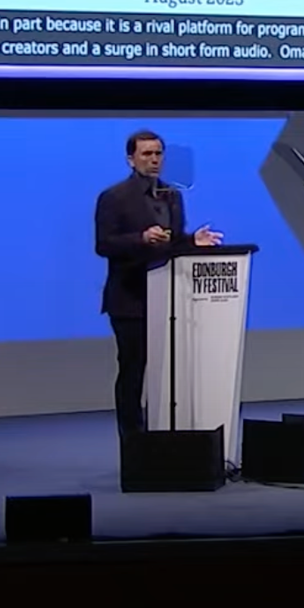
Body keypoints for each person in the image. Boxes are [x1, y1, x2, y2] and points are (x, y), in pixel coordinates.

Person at [94, 130, 222, 435]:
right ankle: (132, 441)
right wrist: (141, 238)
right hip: (129, 299)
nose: (154, 160)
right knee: (133, 371)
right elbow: (104, 245)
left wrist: (193, 240)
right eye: (147, 154)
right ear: (131, 159)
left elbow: (173, 243)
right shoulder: (114, 197)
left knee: (167, 372)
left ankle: (166, 436)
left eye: (158, 153)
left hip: (168, 299)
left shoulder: (172, 196)